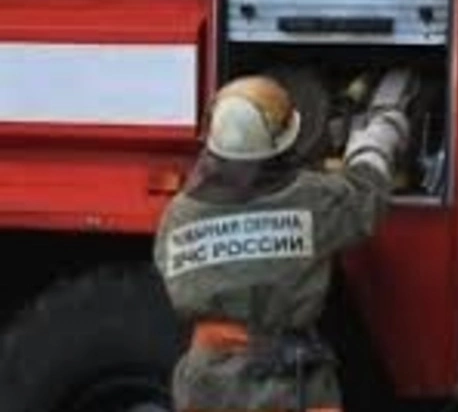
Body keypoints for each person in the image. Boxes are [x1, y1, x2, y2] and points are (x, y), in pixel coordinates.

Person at [153, 71, 412, 411]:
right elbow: (365, 197)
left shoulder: (179, 214)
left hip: (208, 382)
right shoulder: (311, 200)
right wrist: (379, 134)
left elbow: (168, 269)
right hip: (287, 383)